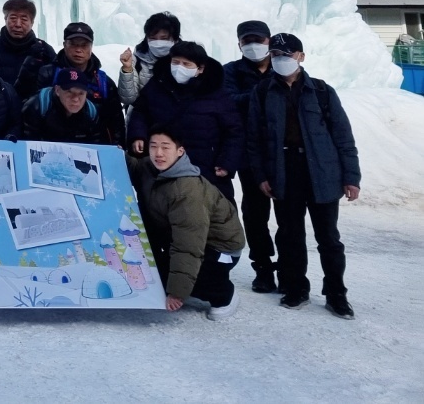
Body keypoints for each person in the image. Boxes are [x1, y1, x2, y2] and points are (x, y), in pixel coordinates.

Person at [246, 33, 361, 319]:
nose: (280, 60)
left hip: (322, 172)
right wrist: (261, 175)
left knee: (329, 238)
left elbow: (343, 137)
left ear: (301, 56)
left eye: (287, 55)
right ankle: (296, 287)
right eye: (275, 55)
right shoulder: (262, 93)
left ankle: (337, 293)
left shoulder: (322, 91)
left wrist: (351, 177)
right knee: (290, 235)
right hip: (284, 171)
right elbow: (254, 140)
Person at [130, 126, 247, 321]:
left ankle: (224, 294)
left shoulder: (187, 190)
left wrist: (177, 292)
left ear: (180, 151)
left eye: (165, 147)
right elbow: (130, 165)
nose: (159, 153)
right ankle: (185, 281)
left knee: (187, 278)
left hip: (220, 248)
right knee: (152, 273)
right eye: (154, 146)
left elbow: (188, 245)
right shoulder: (149, 169)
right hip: (184, 241)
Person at [126, 41, 242, 200]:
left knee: (209, 216)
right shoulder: (158, 85)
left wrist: (226, 162)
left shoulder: (216, 93)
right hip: (161, 167)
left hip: (206, 170)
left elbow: (234, 131)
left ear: (200, 69)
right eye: (175, 62)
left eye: (186, 64)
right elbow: (140, 111)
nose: (179, 67)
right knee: (159, 213)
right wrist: (138, 135)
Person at [222, 19, 278, 292]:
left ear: (269, 41)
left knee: (289, 215)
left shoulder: (283, 67)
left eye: (259, 40)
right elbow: (227, 101)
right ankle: (263, 267)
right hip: (249, 152)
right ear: (239, 44)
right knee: (255, 213)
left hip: (283, 152)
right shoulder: (230, 71)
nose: (253, 46)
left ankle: (290, 267)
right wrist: (262, 93)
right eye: (247, 41)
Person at [34, 22, 125, 144]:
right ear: (64, 45)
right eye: (73, 44)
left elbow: (116, 122)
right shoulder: (48, 74)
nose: (78, 50)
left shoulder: (103, 82)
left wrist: (117, 150)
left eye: (84, 45)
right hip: (51, 146)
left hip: (94, 147)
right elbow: (33, 112)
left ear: (91, 47)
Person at [0, 0, 57, 99]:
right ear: (5, 19)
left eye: (24, 19)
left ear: (32, 22)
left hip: (33, 110)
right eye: (13, 18)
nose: (18, 24)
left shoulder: (44, 51)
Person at [21, 68, 115, 144]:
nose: (75, 99)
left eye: (81, 93)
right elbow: (26, 143)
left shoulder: (91, 112)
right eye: (69, 92)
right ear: (57, 90)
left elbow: (96, 146)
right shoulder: (38, 106)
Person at [118, 11, 181, 106]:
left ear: (175, 39)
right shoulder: (137, 60)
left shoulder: (187, 60)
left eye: (164, 38)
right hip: (143, 117)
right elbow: (128, 99)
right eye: (153, 38)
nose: (158, 43)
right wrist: (127, 70)